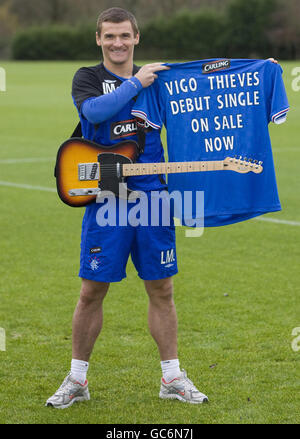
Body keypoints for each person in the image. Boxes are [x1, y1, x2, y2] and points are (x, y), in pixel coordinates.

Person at [46, 7, 208, 409]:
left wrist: (256, 73)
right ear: (98, 39)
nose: (117, 43)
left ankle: (171, 376)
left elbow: (206, 96)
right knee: (91, 290)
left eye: (124, 36)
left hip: (153, 197)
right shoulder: (88, 78)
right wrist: (136, 81)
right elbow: (94, 113)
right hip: (108, 197)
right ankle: (77, 380)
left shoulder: (161, 82)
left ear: (137, 38)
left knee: (162, 288)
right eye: (109, 36)